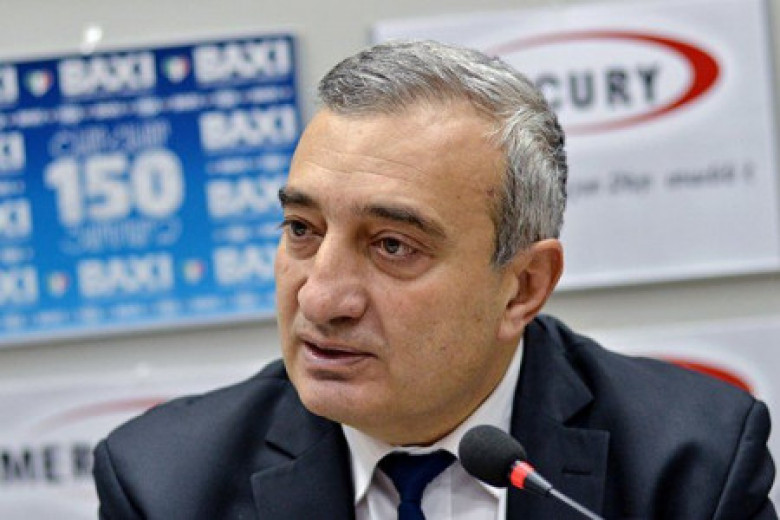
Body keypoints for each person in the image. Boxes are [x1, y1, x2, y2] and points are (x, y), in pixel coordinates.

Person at [92, 40, 776, 519]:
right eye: (302, 229)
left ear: (522, 287)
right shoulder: (166, 483)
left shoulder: (689, 466)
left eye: (392, 245)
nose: (321, 299)